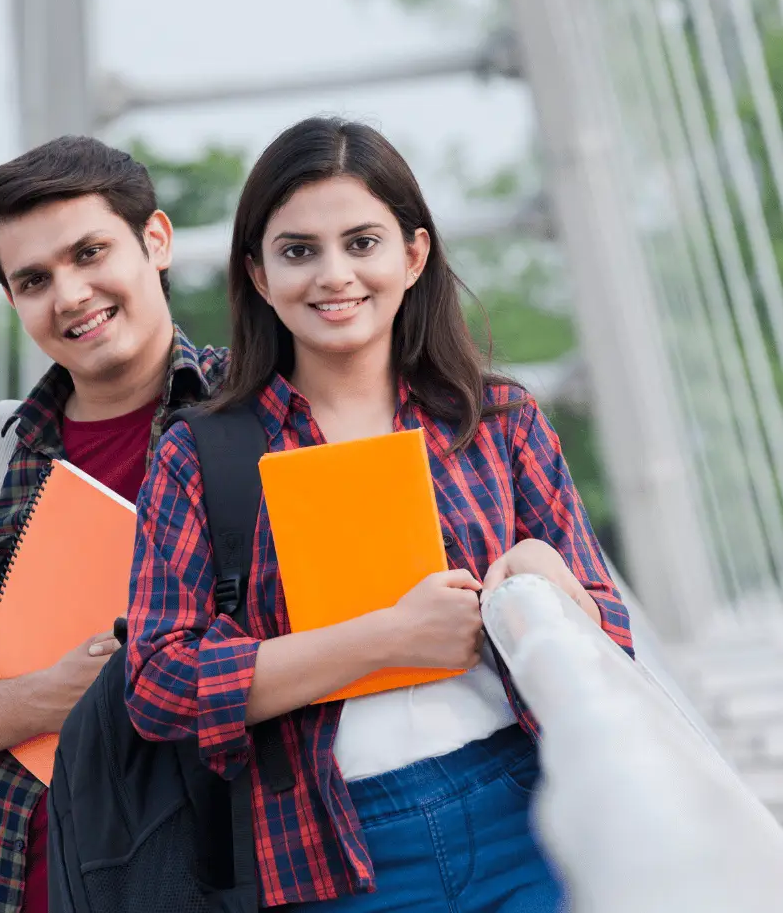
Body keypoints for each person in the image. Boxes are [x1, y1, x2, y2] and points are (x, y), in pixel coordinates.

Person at [125, 117, 635, 912]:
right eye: (299, 251)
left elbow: (611, 636)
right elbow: (160, 682)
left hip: (525, 809)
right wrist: (383, 641)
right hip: (329, 849)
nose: (335, 275)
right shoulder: (201, 455)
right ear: (258, 275)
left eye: (362, 242)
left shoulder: (498, 422)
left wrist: (547, 577)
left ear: (414, 255)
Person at [0, 136, 228, 913]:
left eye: (91, 252)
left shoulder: (260, 414)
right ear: (14, 301)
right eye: (35, 279)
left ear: (156, 241)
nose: (70, 294)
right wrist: (50, 697)